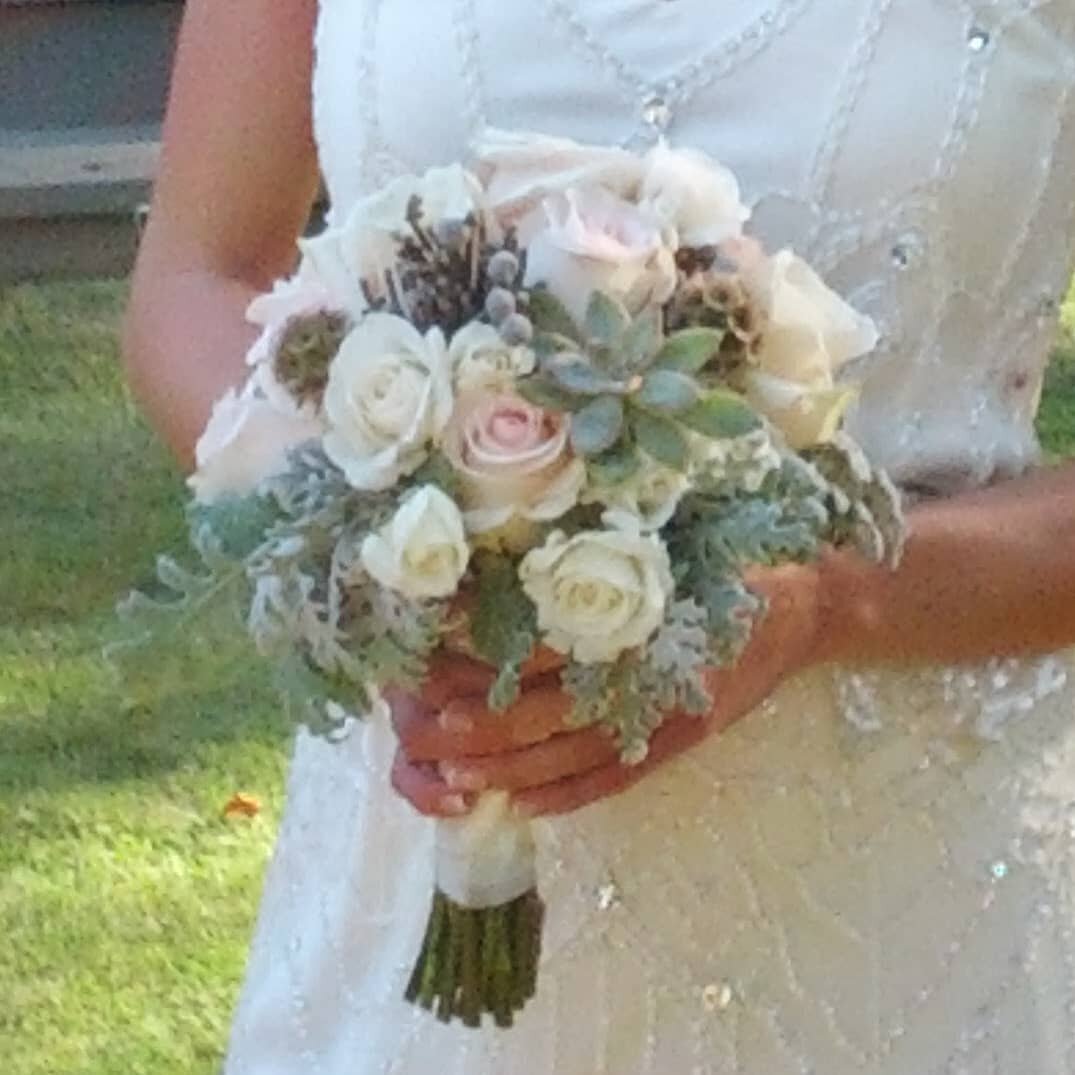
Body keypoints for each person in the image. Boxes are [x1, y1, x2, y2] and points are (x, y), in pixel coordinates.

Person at [124, 1, 1075, 1071]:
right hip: (419, 882)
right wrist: (378, 549)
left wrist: (832, 598)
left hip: (913, 910)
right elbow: (198, 277)